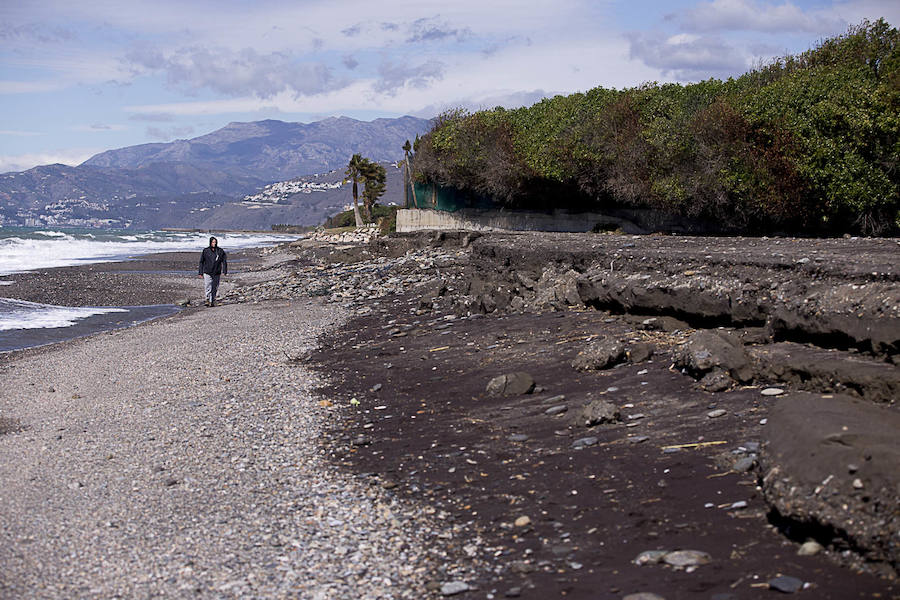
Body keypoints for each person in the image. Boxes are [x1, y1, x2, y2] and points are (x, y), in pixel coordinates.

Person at [198, 236, 227, 306]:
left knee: (215, 287)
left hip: (216, 272)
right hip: (207, 272)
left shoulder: (220, 251)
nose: (214, 243)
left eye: (215, 242)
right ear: (210, 243)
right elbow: (201, 262)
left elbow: (224, 261)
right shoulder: (206, 251)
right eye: (213, 242)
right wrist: (200, 272)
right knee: (208, 286)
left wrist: (224, 270)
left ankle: (213, 300)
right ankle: (207, 299)